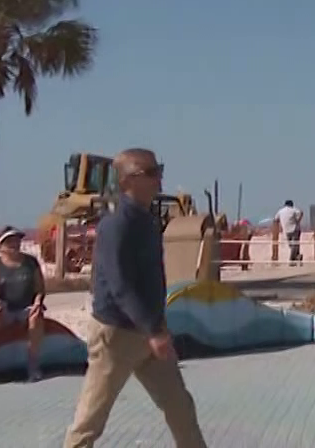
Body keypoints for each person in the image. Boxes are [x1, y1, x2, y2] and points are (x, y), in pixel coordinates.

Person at [64, 149, 209, 448]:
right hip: (116, 336)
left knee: (180, 407)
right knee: (89, 422)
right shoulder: (117, 224)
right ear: (130, 180)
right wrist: (152, 329)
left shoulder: (146, 220)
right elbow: (120, 284)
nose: (160, 179)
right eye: (153, 172)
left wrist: (157, 326)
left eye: (160, 170)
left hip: (150, 333)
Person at [0, 229, 48, 383]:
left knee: (36, 318)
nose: (14, 245)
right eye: (9, 241)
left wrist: (38, 303)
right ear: (1, 246)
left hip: (27, 307)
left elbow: (40, 289)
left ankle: (33, 365)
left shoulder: (30, 262)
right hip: (6, 307)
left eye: (17, 241)